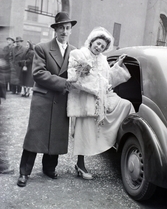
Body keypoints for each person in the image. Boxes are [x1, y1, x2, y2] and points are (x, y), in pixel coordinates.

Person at [17, 11, 77, 187]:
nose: (64, 31)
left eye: (67, 28)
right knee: (35, 134)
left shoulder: (75, 52)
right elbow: (38, 73)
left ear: (70, 30)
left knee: (56, 134)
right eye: (61, 28)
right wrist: (65, 83)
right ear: (55, 30)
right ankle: (24, 172)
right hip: (43, 98)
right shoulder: (42, 48)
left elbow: (77, 73)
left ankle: (49, 168)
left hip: (61, 98)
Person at [67, 27, 135, 179]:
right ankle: (80, 164)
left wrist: (117, 65)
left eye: (102, 47)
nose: (99, 48)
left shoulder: (103, 60)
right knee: (84, 131)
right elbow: (73, 78)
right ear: (91, 41)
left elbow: (108, 79)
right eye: (97, 44)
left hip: (100, 98)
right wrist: (92, 82)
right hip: (84, 99)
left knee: (126, 105)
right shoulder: (79, 54)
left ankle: (120, 142)